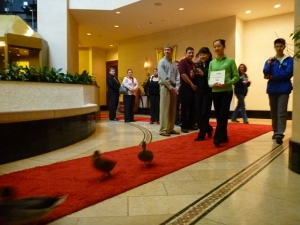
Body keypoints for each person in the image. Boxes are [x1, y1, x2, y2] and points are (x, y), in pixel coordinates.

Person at [208, 39, 239, 147]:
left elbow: (236, 76)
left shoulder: (230, 61)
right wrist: (211, 84)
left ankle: (218, 138)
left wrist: (228, 83)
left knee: (223, 115)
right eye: (215, 46)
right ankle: (224, 136)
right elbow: (209, 78)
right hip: (215, 92)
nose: (217, 48)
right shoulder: (212, 63)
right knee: (218, 115)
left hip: (226, 91)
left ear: (224, 46)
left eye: (219, 46)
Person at [263, 38, 293, 145]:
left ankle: (280, 133)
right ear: (274, 47)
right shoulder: (270, 60)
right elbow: (265, 73)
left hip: (284, 89)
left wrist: (272, 76)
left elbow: (288, 74)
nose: (279, 48)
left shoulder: (290, 60)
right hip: (272, 89)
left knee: (281, 112)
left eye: (281, 46)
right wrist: (269, 65)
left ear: (284, 47)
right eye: (277, 46)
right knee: (274, 112)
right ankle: (275, 131)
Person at [158, 44, 181, 136]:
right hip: (165, 87)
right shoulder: (161, 62)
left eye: (168, 50)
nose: (167, 51)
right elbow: (163, 77)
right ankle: (163, 130)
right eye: (165, 50)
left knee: (172, 109)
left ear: (171, 51)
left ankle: (170, 128)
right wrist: (171, 88)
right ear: (164, 51)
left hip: (173, 88)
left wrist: (177, 87)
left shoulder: (174, 64)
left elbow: (178, 76)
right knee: (164, 109)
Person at [194, 48, 213, 141]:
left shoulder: (212, 65)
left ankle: (201, 134)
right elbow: (196, 81)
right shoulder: (198, 65)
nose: (202, 56)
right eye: (200, 54)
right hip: (198, 92)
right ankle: (209, 129)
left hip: (208, 92)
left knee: (205, 113)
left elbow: (212, 78)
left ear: (209, 55)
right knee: (198, 114)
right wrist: (193, 76)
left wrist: (204, 75)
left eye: (204, 54)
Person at [178, 47, 197, 133]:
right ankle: (184, 126)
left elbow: (193, 75)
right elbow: (183, 75)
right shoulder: (182, 62)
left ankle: (191, 124)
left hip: (192, 88)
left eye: (192, 53)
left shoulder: (193, 64)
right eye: (189, 53)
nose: (191, 54)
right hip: (185, 87)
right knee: (185, 108)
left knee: (192, 107)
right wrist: (191, 84)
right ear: (186, 53)